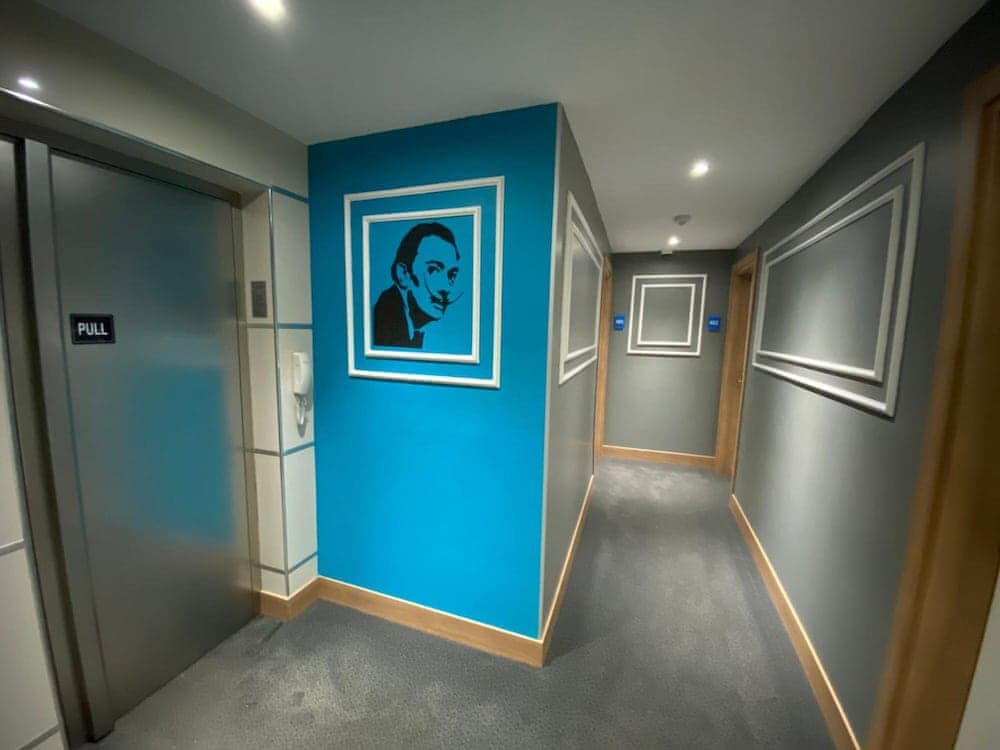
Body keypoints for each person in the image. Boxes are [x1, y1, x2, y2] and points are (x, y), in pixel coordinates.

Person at [372, 222, 461, 348]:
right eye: (433, 270)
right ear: (403, 273)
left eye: (451, 275)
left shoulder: (412, 329)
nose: (446, 288)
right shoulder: (383, 320)